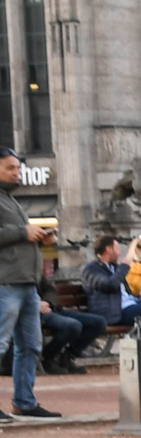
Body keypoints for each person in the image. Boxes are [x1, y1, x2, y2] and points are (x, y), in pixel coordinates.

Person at [0, 150, 64, 421]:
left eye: (17, 167)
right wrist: (23, 232)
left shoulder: (10, 199)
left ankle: (24, 402)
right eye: (10, 167)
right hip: (5, 284)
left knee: (31, 346)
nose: (17, 172)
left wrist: (39, 238)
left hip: (27, 285)